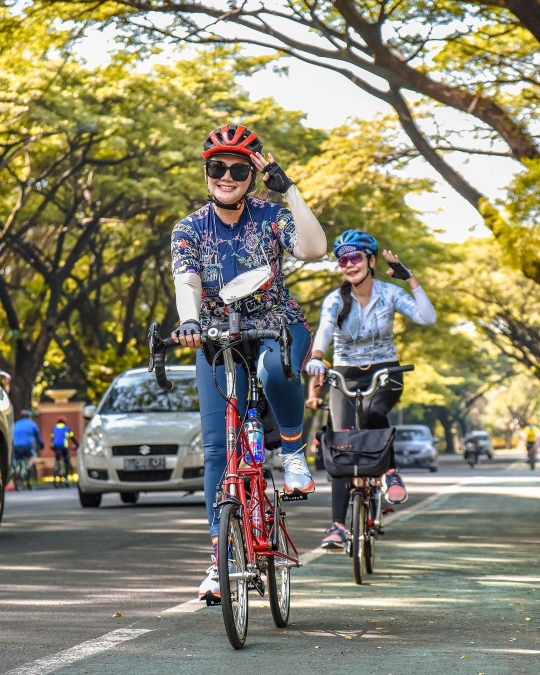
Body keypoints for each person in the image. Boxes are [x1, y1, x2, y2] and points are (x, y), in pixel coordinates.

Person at [169, 123, 327, 599]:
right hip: (218, 336)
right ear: (206, 172)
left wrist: (290, 188)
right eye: (218, 167)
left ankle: (295, 453)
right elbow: (187, 280)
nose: (227, 176)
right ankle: (221, 559)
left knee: (271, 370)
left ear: (252, 176)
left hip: (277, 325)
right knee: (218, 451)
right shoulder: (189, 228)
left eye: (239, 169)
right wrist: (190, 321)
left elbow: (315, 248)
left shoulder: (271, 216)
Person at [305, 229, 437, 550]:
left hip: (386, 370)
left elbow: (427, 317)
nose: (349, 265)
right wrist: (319, 360)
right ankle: (337, 525)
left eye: (356, 258)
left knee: (377, 412)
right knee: (341, 444)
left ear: (371, 260)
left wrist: (411, 280)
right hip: (346, 373)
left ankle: (390, 472)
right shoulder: (336, 300)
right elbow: (323, 330)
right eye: (343, 260)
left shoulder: (389, 293)